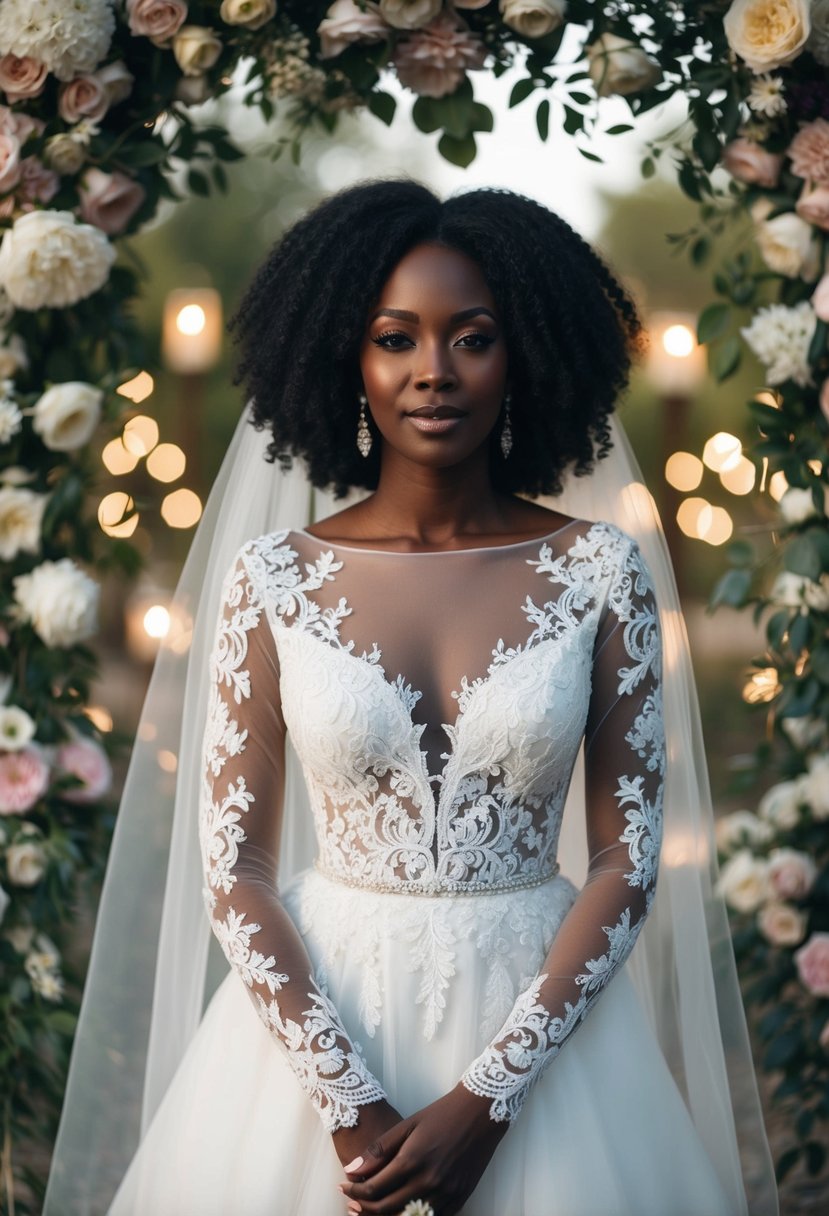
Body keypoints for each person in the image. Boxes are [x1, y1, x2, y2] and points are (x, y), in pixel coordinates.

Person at [44, 181, 778, 1216]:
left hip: (547, 1039)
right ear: (346, 357)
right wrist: (348, 1106)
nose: (433, 370)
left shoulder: (600, 568)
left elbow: (626, 858)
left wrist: (491, 1096)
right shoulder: (271, 577)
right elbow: (233, 868)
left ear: (523, 355)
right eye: (397, 338)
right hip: (317, 1033)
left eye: (471, 338)